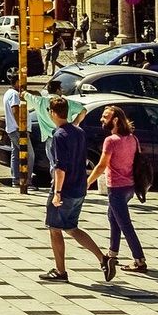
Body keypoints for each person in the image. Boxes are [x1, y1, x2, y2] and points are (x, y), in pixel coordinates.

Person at [42, 96, 112, 282]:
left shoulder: (59, 136)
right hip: (80, 188)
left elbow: (60, 168)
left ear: (52, 113)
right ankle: (102, 258)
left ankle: (60, 271)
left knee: (55, 228)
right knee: (72, 227)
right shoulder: (78, 132)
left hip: (64, 190)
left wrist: (57, 193)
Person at [86, 105, 147, 273]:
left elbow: (101, 165)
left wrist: (88, 182)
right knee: (113, 217)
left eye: (105, 117)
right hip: (130, 187)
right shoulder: (132, 138)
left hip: (117, 188)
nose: (101, 119)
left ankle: (139, 260)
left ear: (115, 120)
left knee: (125, 224)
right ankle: (112, 253)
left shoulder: (111, 141)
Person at [1, 78, 39, 189]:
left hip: (13, 129)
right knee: (29, 155)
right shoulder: (14, 95)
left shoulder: (9, 93)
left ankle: (16, 179)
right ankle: (26, 181)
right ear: (17, 82)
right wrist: (22, 127)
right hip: (18, 130)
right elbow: (15, 110)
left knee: (16, 154)